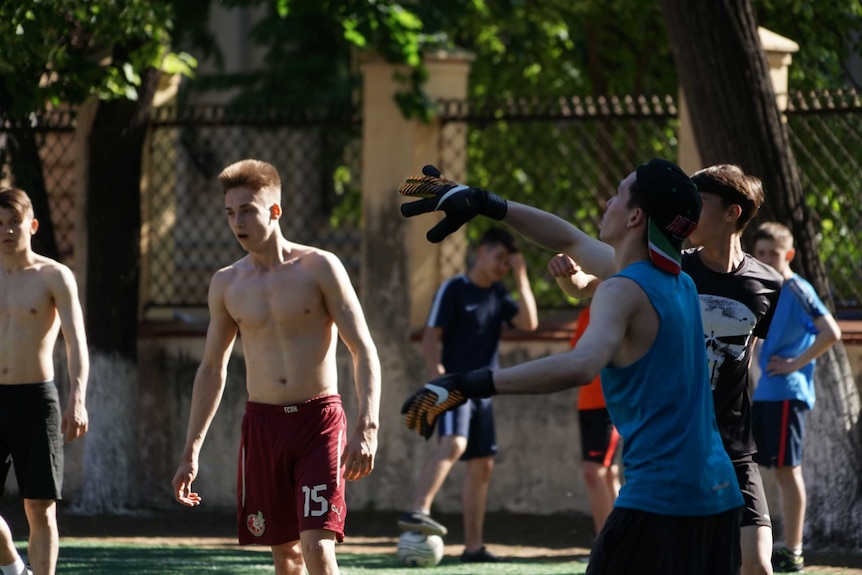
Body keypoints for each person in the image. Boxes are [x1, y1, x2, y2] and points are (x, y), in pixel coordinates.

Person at [400, 160, 744, 574]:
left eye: (618, 194)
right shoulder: (678, 281)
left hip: (662, 500)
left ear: (635, 216)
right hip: (719, 496)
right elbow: (566, 237)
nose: (607, 201)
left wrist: (468, 384)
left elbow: (582, 365)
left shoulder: (623, 289)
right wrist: (486, 203)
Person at [170, 159, 381, 575]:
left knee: (317, 547)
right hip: (263, 427)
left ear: (275, 210)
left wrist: (367, 425)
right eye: (230, 213)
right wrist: (190, 452)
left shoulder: (319, 266)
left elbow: (363, 349)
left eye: (247, 210)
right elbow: (212, 368)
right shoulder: (226, 283)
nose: (237, 222)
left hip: (318, 423)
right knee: (285, 556)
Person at [398, 227, 538, 563]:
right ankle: (418, 509)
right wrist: (439, 382)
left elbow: (529, 323)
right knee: (454, 444)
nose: (503, 265)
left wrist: (521, 277)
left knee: (482, 465)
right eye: (500, 258)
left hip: (484, 392)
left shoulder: (500, 294)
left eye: (509, 261)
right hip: (455, 388)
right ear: (481, 252)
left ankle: (473, 547)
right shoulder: (454, 289)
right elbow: (431, 337)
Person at [683, 165, 784, 575]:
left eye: (700, 205)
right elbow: (608, 287)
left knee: (758, 564)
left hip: (734, 446)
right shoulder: (674, 267)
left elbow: (750, 355)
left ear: (732, 213)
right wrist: (576, 282)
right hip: (676, 441)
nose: (689, 215)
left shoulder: (768, 285)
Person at [0, 187, 89, 575]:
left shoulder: (54, 275)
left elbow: (76, 343)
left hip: (36, 402)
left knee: (40, 508)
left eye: (13, 222)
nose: (6, 230)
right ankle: (15, 568)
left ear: (32, 225)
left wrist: (78, 399)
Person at [750, 222, 841, 573]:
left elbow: (831, 331)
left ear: (788, 255)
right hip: (764, 396)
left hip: (788, 395)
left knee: (788, 472)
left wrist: (793, 364)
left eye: (774, 253)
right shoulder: (760, 287)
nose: (767, 259)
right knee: (749, 468)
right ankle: (750, 542)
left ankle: (793, 550)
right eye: (760, 253)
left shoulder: (797, 287)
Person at [547, 254, 620, 539]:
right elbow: (579, 359)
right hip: (586, 404)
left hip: (608, 405)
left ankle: (608, 541)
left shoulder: (619, 311)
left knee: (594, 472)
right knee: (606, 473)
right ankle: (618, 541)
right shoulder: (586, 315)